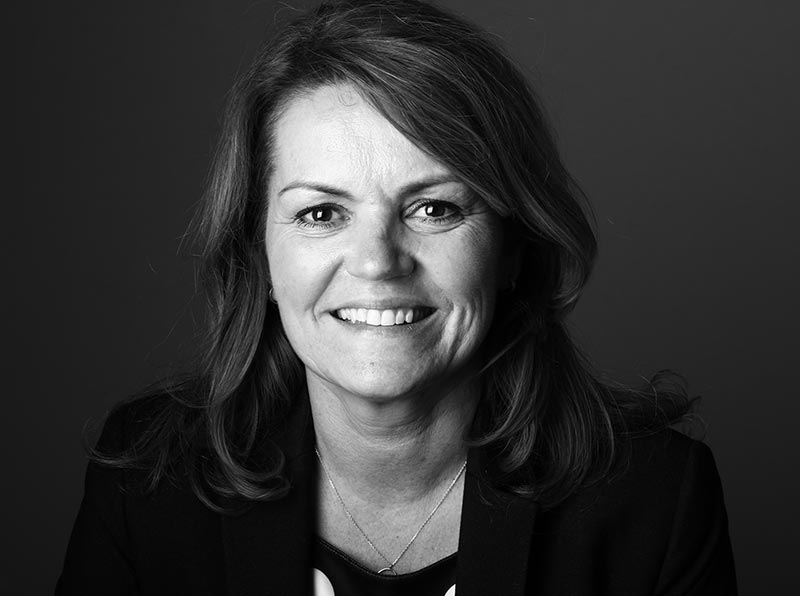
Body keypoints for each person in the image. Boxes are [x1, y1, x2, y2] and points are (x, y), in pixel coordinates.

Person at [57, 0, 737, 594]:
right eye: (322, 213)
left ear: (513, 246)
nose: (378, 262)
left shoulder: (655, 502)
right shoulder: (149, 486)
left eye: (434, 208)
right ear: (260, 254)